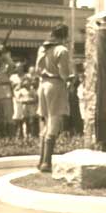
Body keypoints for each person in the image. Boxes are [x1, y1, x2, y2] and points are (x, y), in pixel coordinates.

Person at [36, 23, 70, 172]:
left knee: (46, 122)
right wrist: (71, 78)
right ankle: (46, 163)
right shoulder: (62, 50)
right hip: (55, 84)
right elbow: (64, 74)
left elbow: (37, 70)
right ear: (65, 36)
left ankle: (41, 160)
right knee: (54, 121)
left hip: (42, 84)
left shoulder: (42, 49)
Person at [10, 62, 25, 138]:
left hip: (24, 97)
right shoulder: (13, 77)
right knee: (16, 116)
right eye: (18, 67)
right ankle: (16, 134)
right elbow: (10, 87)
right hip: (15, 97)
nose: (19, 69)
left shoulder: (26, 76)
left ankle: (23, 134)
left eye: (21, 67)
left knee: (23, 116)